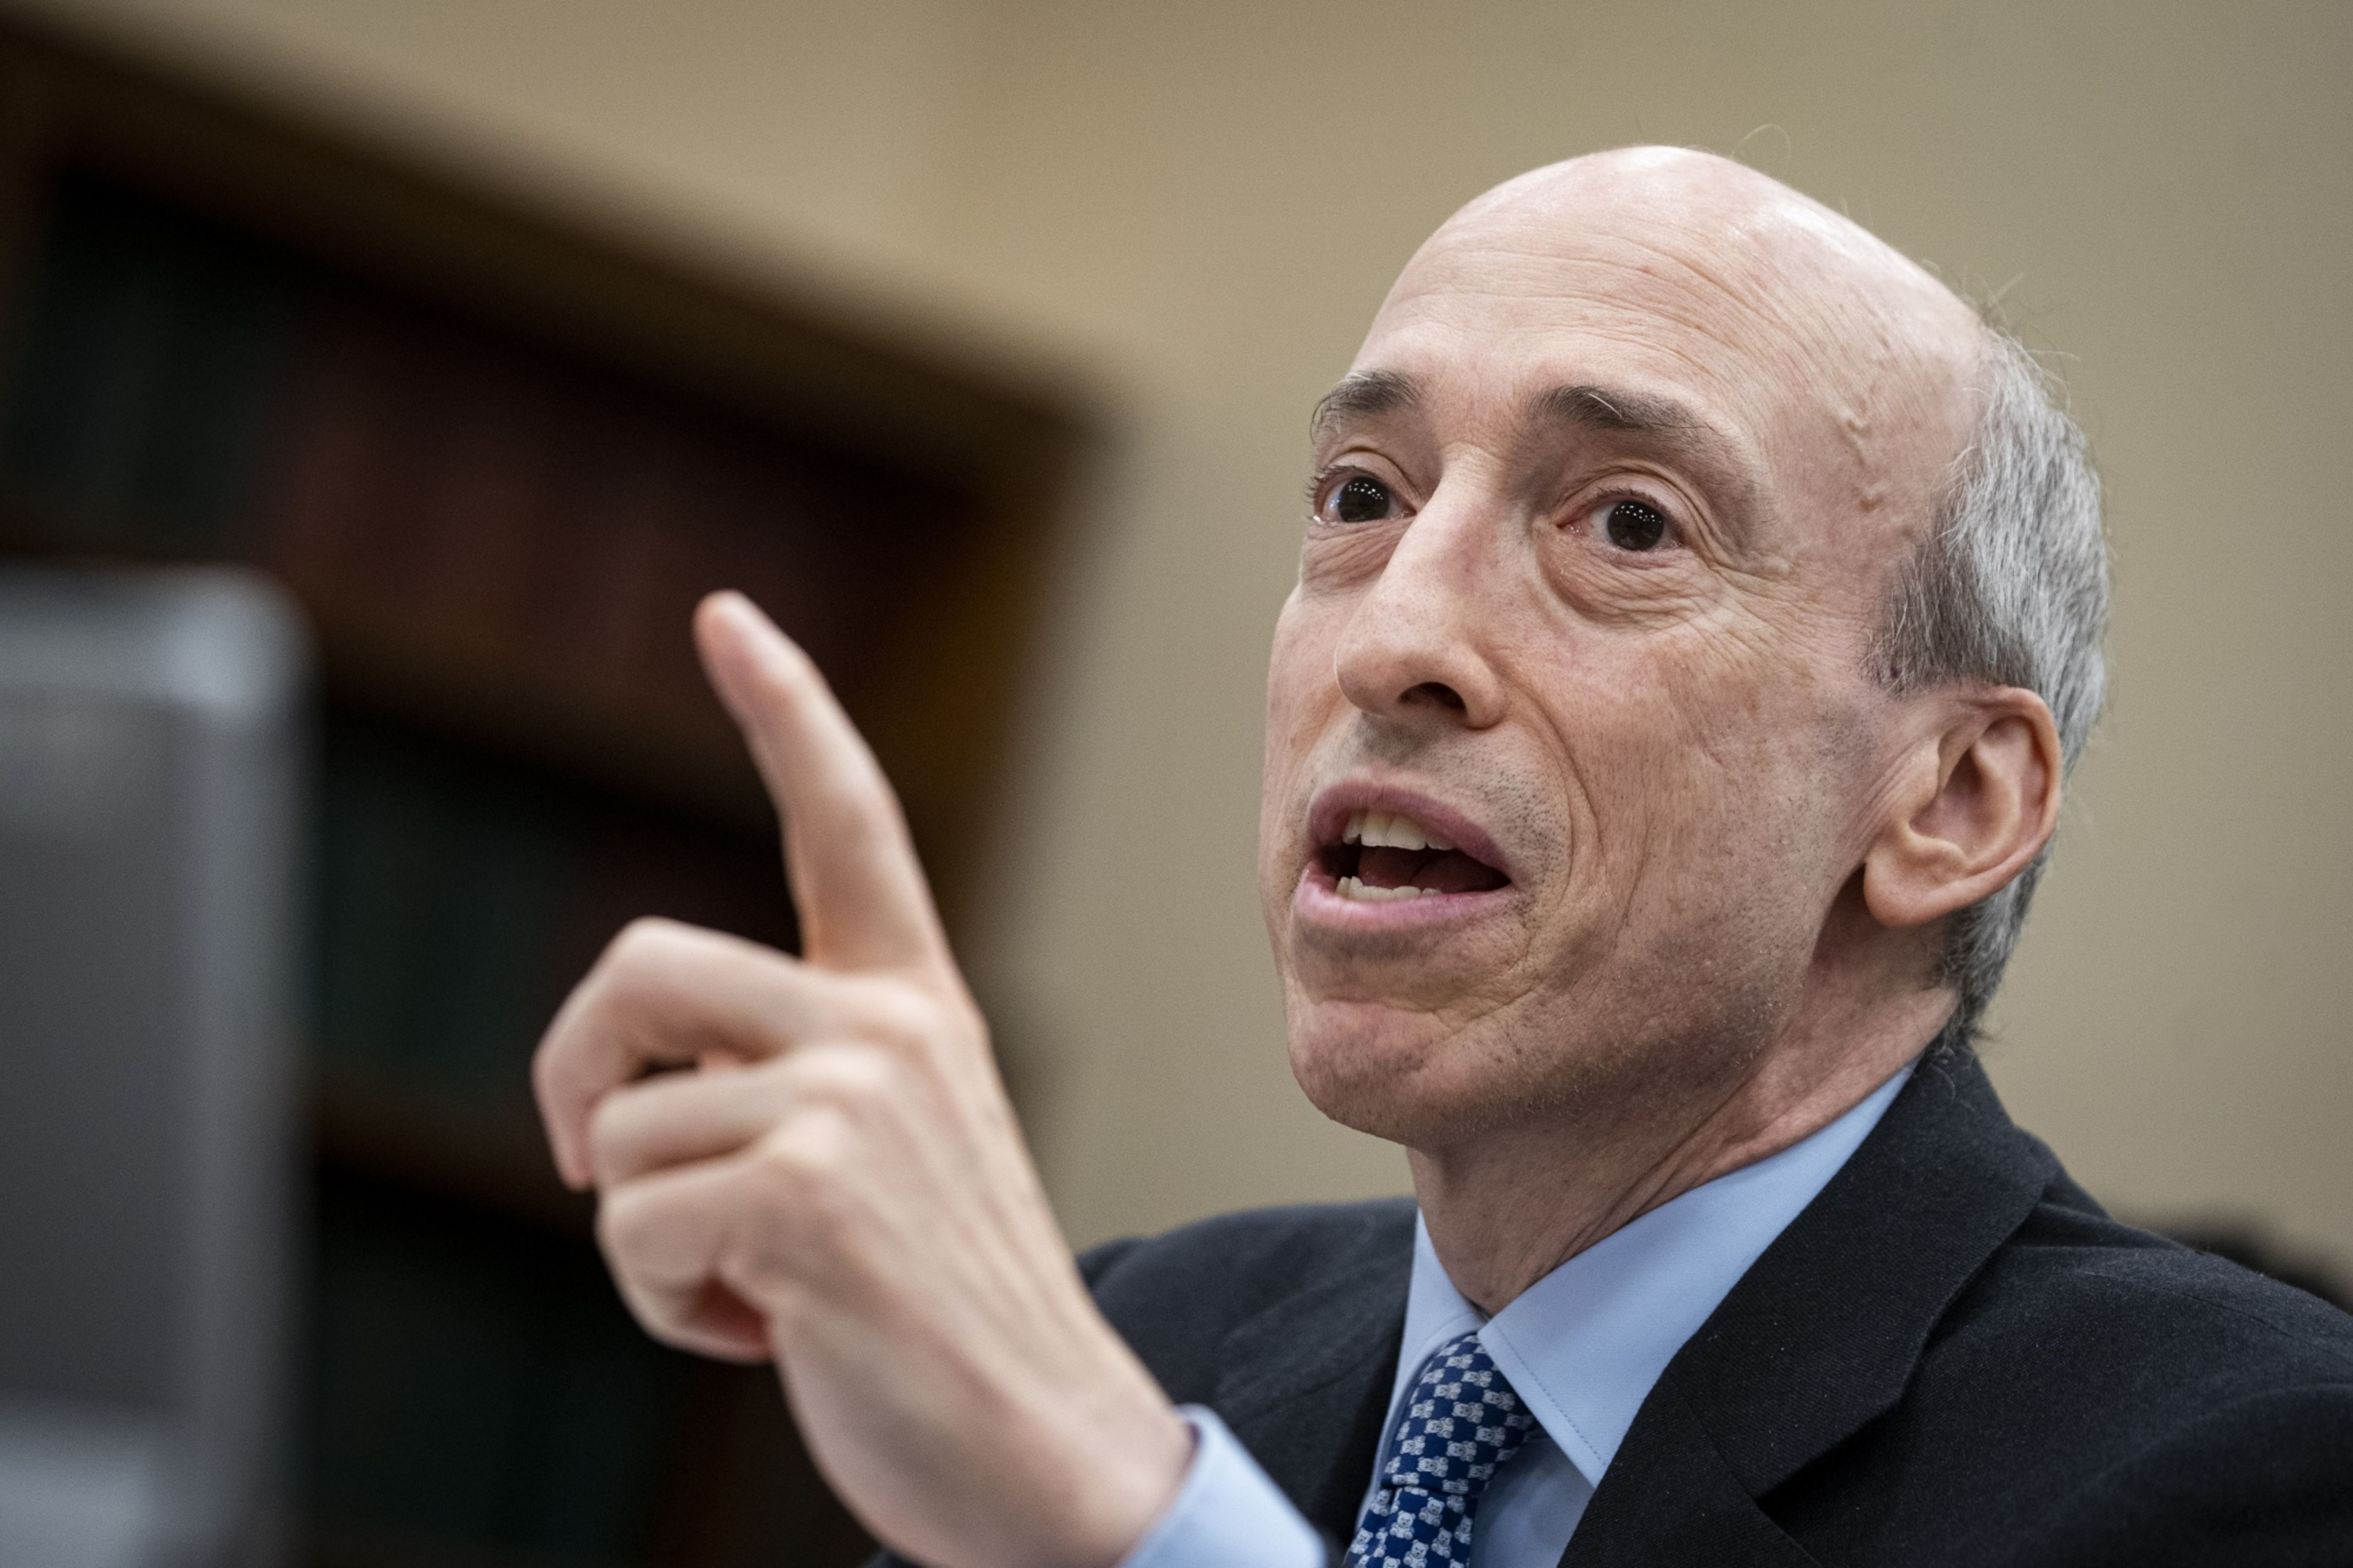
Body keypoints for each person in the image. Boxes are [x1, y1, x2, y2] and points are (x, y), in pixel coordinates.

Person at [531, 148, 2353, 1568]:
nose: (1393, 631)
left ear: (1948, 797)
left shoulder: (2248, 1466)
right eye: (1359, 498)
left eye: (1623, 522)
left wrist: (1131, 1525)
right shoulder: (1146, 1330)